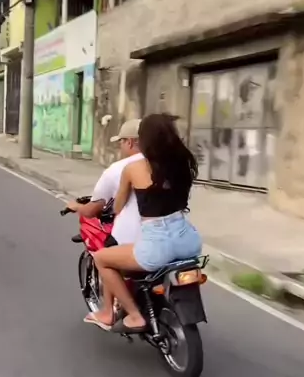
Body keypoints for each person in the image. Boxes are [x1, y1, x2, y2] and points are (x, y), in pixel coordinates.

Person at [89, 113, 202, 333]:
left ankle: (133, 315)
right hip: (188, 239)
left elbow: (118, 206)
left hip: (157, 244)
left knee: (101, 258)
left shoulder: (133, 168)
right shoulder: (183, 163)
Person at [65, 119, 143, 327]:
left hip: (142, 239)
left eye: (121, 142)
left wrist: (76, 206)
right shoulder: (168, 165)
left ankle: (110, 312)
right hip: (181, 237)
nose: (120, 147)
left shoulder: (120, 170)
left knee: (103, 257)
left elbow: (99, 208)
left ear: (129, 142)